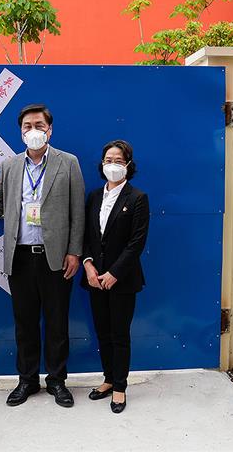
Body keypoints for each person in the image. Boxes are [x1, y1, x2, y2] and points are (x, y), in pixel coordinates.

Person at [0, 104, 85, 408]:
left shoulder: (68, 163)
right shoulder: (9, 166)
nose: (33, 131)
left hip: (57, 258)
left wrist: (75, 251)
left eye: (39, 125)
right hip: (20, 258)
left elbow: (78, 210)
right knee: (25, 323)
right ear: (20, 132)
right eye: (27, 126)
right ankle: (27, 380)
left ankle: (57, 381)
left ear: (50, 129)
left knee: (57, 322)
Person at [81, 140, 149, 414]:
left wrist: (114, 273)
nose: (113, 165)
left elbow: (137, 243)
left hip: (122, 280)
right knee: (103, 333)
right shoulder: (95, 196)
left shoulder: (137, 198)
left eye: (118, 160)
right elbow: (86, 234)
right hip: (94, 278)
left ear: (128, 165)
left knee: (119, 334)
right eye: (108, 159)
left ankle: (120, 387)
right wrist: (88, 264)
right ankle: (108, 379)